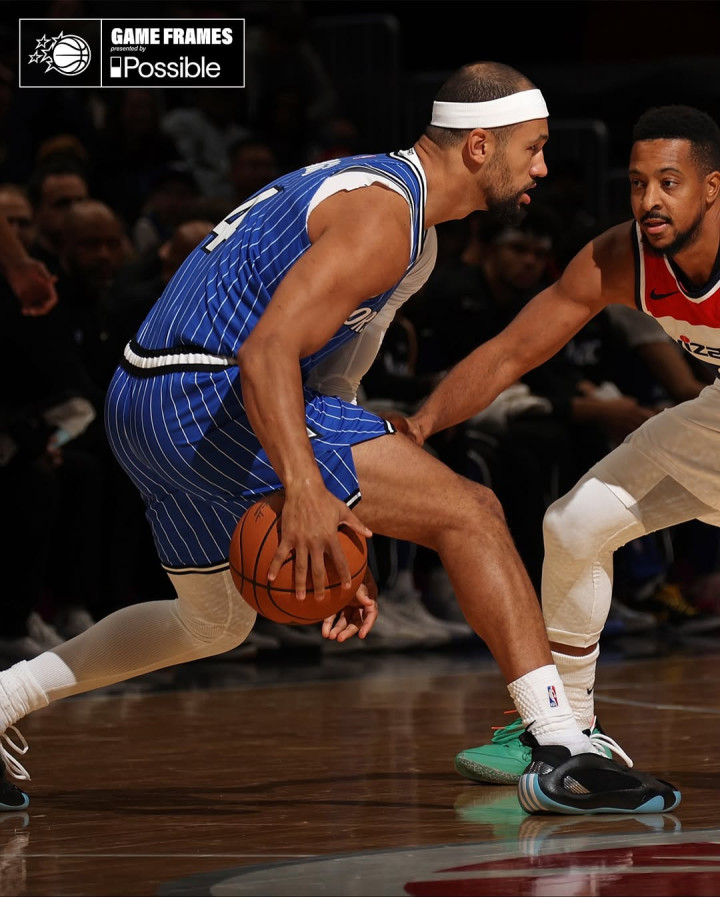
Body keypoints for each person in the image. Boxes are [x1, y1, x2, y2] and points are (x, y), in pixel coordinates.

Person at [0, 62, 679, 817]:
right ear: (480, 146)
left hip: (144, 402)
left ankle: (4, 700)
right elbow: (266, 353)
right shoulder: (384, 213)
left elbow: (332, 384)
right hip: (203, 389)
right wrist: (303, 490)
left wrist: (342, 516)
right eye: (534, 147)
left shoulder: (413, 238)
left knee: (212, 622)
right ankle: (559, 746)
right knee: (472, 511)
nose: (543, 168)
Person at [389, 103, 720, 785]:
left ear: (712, 188)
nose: (649, 201)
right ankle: (568, 729)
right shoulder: (620, 257)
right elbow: (512, 350)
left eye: (669, 183)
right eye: (637, 184)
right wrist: (422, 424)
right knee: (574, 525)